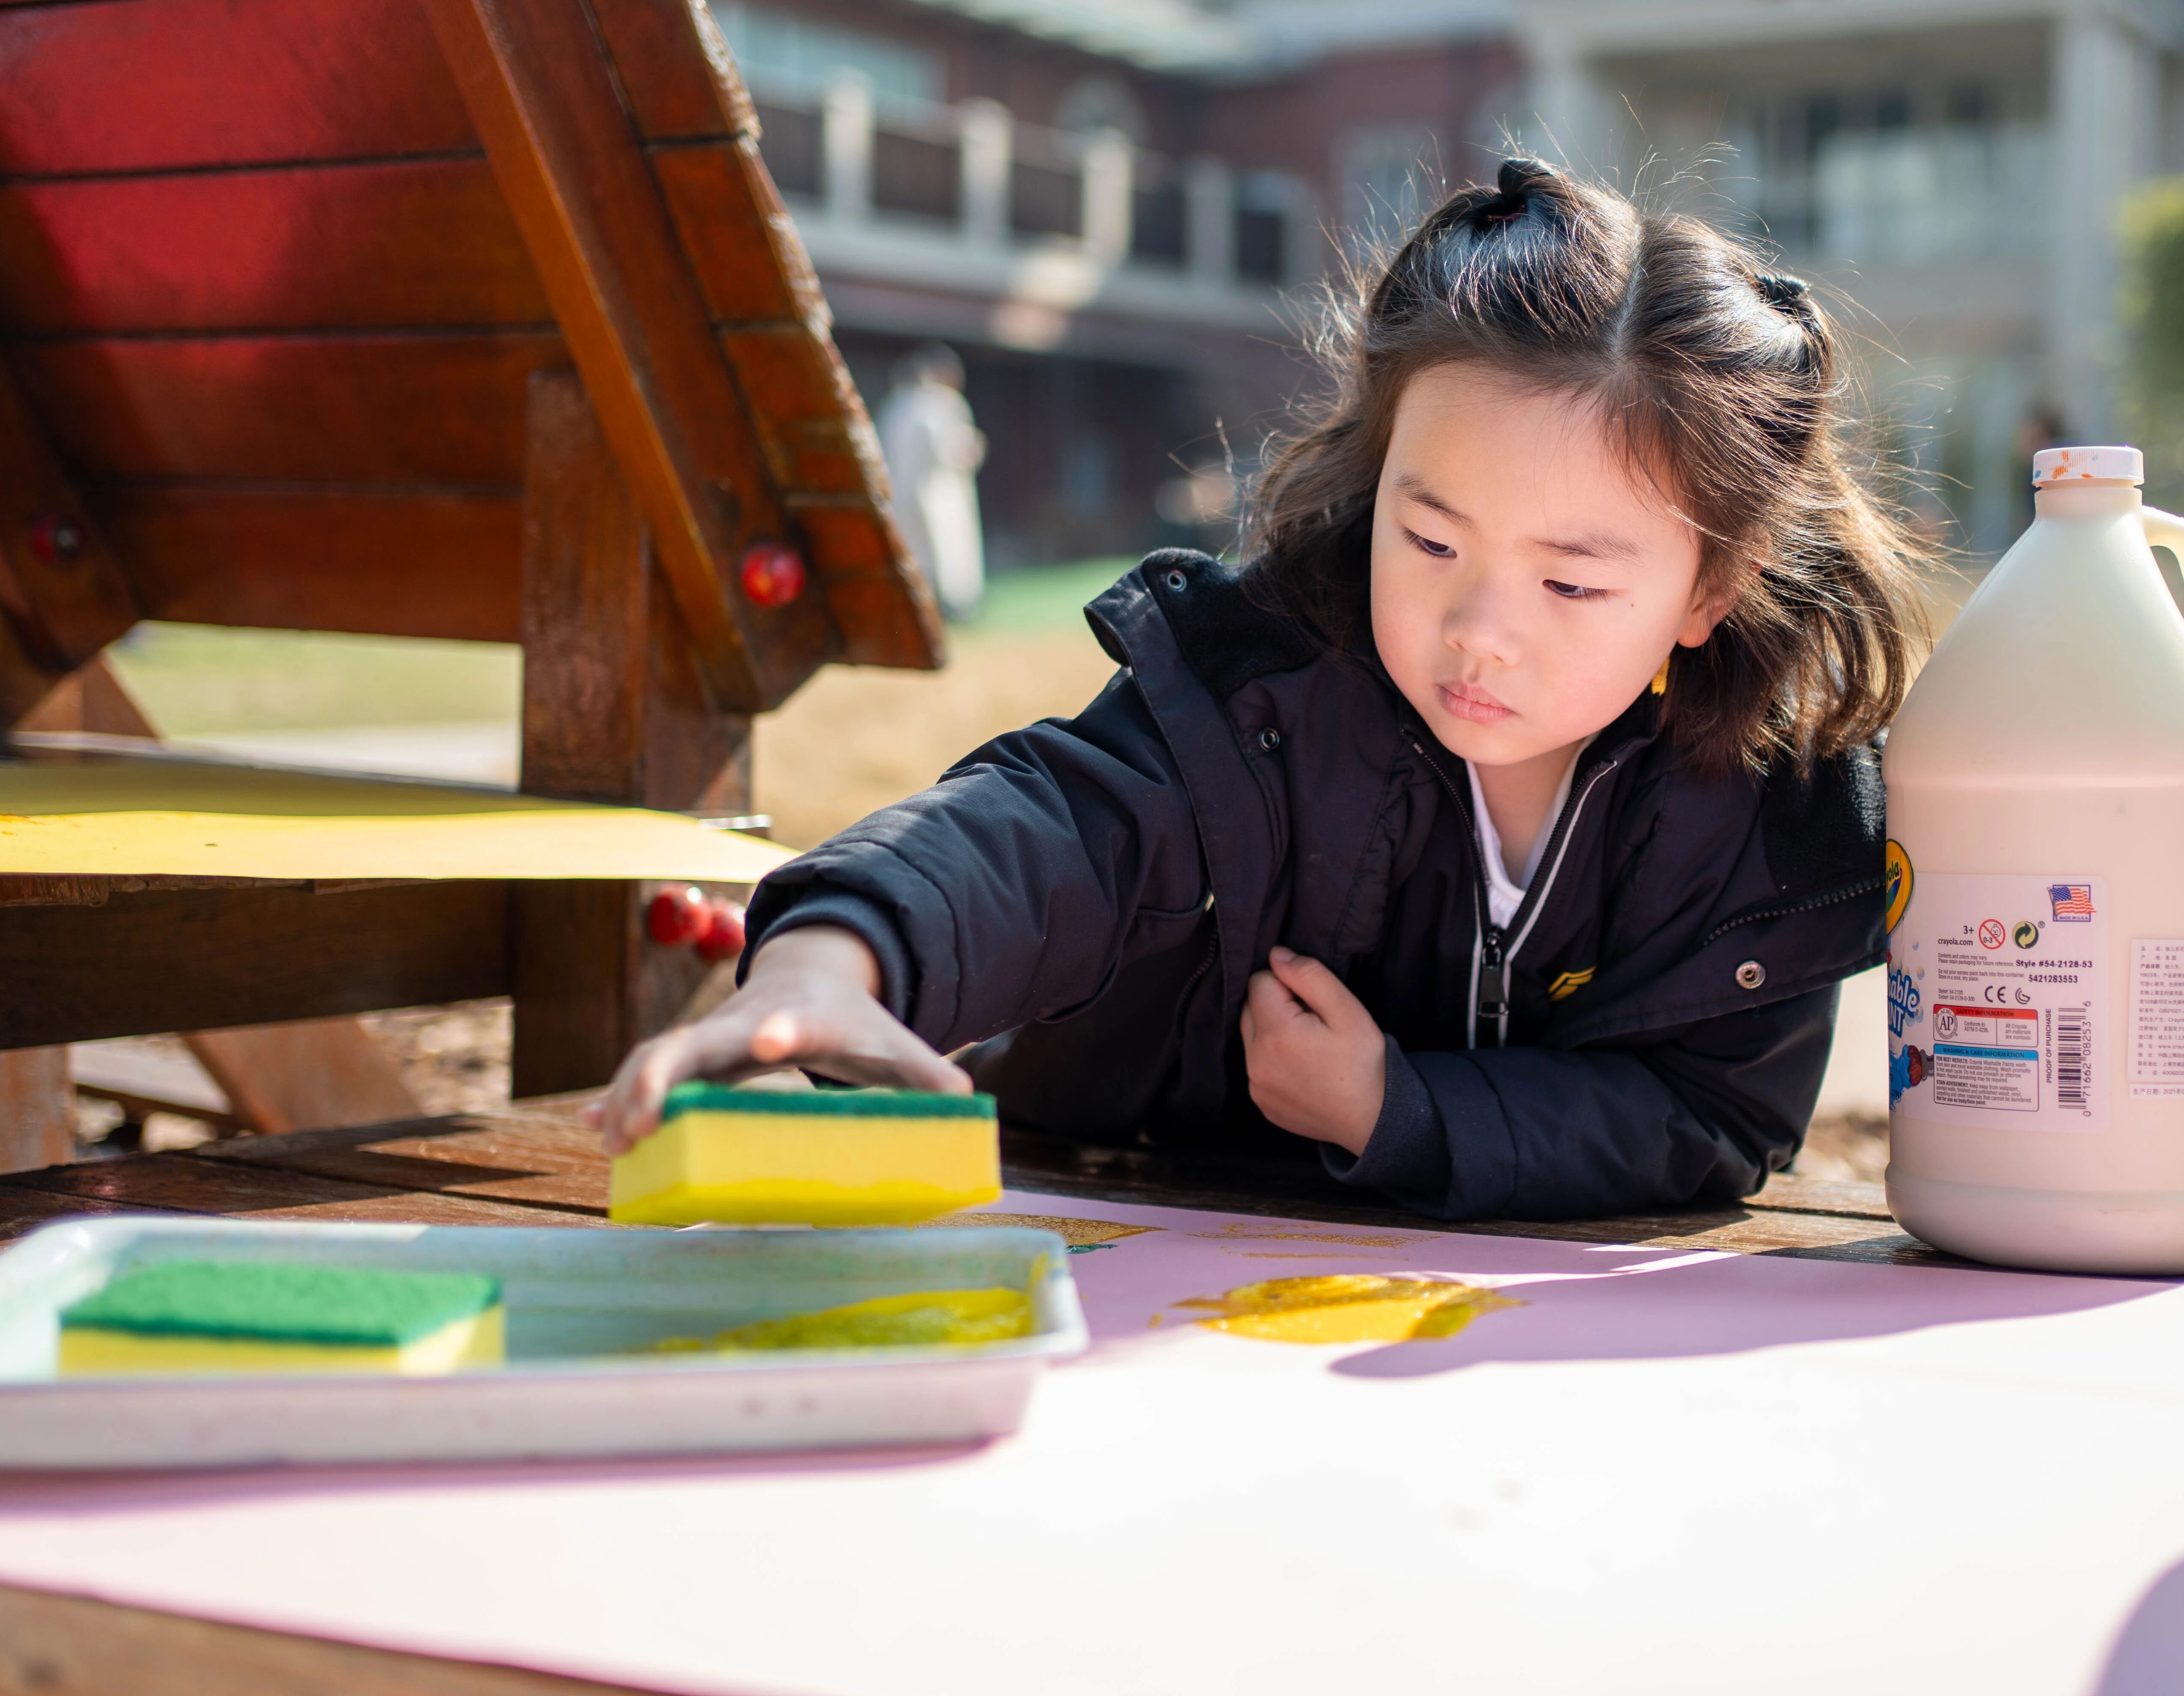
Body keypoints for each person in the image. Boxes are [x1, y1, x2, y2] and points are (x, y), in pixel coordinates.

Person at [593, 159, 1928, 1220]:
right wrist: (834, 959)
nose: (1478, 633)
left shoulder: (1773, 824)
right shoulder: (1265, 693)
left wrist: (1395, 1111)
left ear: (1709, 588)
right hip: (1117, 1217)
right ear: (1374, 479)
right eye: (1430, 541)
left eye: (1569, 584)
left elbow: (1713, 1116)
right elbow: (1057, 826)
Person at [876, 344, 986, 619]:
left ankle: (916, 608)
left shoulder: (894, 405)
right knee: (946, 555)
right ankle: (950, 609)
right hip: (936, 495)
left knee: (913, 555)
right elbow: (950, 450)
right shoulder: (941, 403)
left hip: (898, 494)